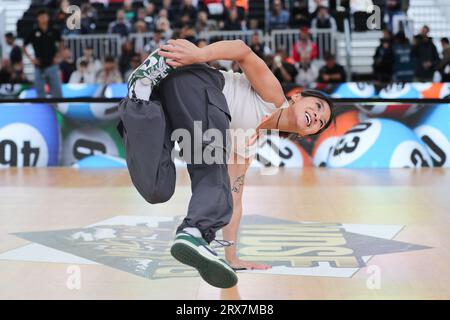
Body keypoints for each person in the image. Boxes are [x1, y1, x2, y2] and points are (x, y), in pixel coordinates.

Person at [118, 39, 334, 288]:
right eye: (317, 107)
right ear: (297, 97)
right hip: (196, 81)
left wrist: (232, 257)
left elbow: (234, 198)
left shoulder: (251, 143)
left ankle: (140, 98)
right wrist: (200, 54)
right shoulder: (274, 98)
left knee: (157, 188)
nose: (317, 116)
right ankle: (194, 232)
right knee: (212, 165)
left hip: (168, 101)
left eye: (320, 122)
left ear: (307, 134)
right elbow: (242, 50)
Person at [22, 8, 63, 98]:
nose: (43, 18)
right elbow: (23, 46)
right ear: (38, 18)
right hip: (39, 66)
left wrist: (58, 56)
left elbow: (61, 42)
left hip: (52, 64)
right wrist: (31, 59)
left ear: (48, 17)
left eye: (45, 16)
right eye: (41, 16)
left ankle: (59, 108)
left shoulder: (53, 30)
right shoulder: (34, 32)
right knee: (40, 92)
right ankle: (42, 109)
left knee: (57, 91)